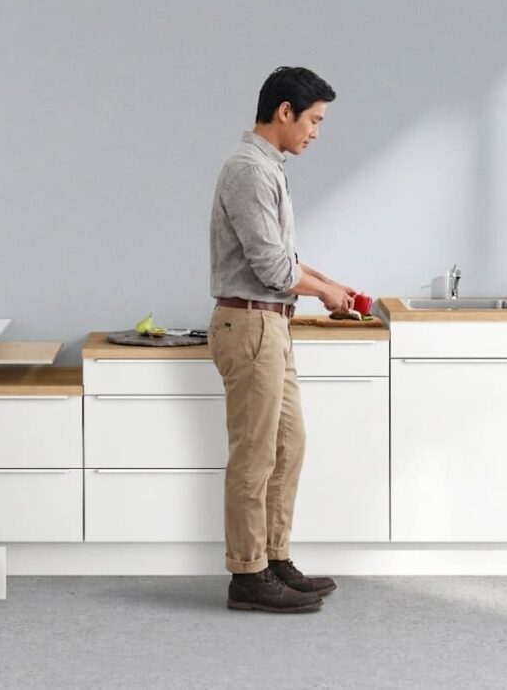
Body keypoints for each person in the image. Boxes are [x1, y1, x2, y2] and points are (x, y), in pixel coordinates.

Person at [207, 66, 356, 613]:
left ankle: (272, 558)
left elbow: (283, 257)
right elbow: (272, 269)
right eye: (314, 120)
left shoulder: (269, 167)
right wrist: (323, 292)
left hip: (271, 324)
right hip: (250, 325)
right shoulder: (248, 170)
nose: (316, 132)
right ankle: (248, 574)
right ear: (285, 111)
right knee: (255, 455)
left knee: (288, 447)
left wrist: (329, 284)